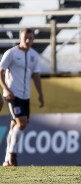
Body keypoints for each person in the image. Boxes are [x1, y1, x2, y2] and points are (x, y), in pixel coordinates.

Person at [0, 28, 44, 166]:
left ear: (33, 39)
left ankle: (7, 160)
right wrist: (6, 89)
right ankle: (12, 154)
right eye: (25, 38)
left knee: (15, 125)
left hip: (26, 96)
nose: (28, 41)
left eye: (30, 38)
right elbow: (0, 71)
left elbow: (36, 76)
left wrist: (40, 94)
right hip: (13, 94)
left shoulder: (34, 55)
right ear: (20, 37)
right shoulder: (11, 54)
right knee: (22, 122)